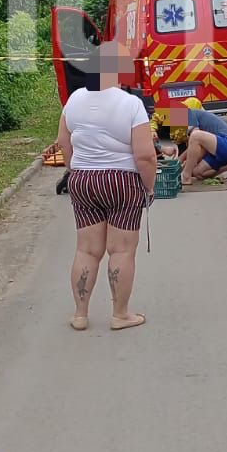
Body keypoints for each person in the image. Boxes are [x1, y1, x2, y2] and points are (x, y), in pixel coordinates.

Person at [58, 42, 157, 332]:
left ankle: (80, 314)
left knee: (87, 250)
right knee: (121, 251)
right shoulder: (131, 104)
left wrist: (75, 170)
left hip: (83, 180)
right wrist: (149, 187)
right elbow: (145, 155)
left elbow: (64, 142)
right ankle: (120, 314)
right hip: (121, 182)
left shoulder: (74, 100)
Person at [179, 96, 227, 184]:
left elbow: (196, 140)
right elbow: (196, 147)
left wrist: (187, 164)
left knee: (195, 136)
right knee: (197, 173)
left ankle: (186, 176)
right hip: (221, 150)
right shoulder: (199, 122)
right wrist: (181, 160)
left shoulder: (189, 114)